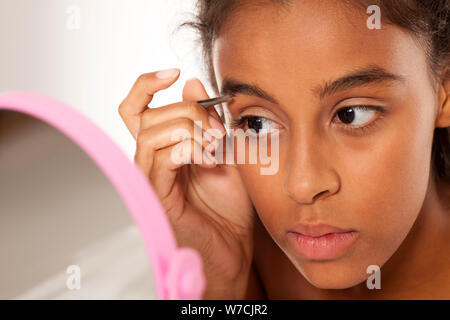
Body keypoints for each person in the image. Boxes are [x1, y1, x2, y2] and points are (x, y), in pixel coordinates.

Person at [118, 0, 450, 299]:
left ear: (444, 93)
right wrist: (220, 286)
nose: (303, 186)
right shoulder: (228, 245)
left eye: (351, 115)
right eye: (257, 123)